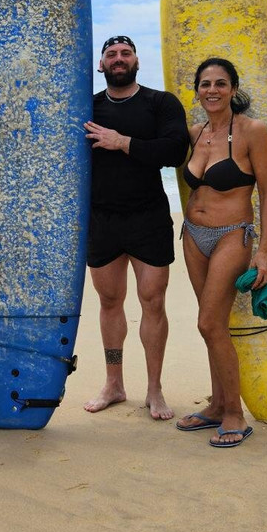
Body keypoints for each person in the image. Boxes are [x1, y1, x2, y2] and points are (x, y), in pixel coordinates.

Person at [82, 35, 189, 421]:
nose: (118, 58)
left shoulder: (161, 103)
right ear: (101, 65)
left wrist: (122, 142)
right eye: (111, 54)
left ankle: (154, 388)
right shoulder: (87, 106)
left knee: (152, 302)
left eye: (125, 53)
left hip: (148, 217)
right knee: (109, 303)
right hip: (102, 218)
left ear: (137, 61)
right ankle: (114, 382)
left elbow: (176, 149)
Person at [174, 59, 267, 448]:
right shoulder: (195, 133)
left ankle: (235, 413)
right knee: (211, 324)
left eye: (220, 83)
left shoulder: (252, 131)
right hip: (193, 235)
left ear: (233, 88)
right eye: (205, 84)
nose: (212, 90)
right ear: (196, 90)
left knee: (208, 323)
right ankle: (217, 405)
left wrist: (263, 251)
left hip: (233, 234)